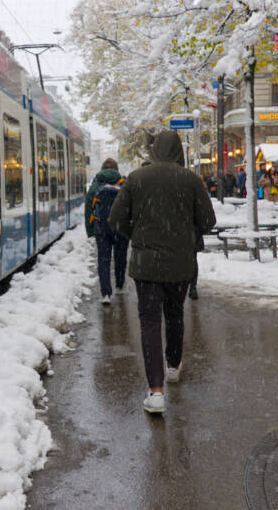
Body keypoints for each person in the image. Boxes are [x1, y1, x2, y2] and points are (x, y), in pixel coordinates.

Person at [108, 130, 216, 414]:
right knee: (174, 314)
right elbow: (207, 221)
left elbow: (115, 219)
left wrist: (137, 236)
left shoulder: (136, 178)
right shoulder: (190, 179)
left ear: (154, 150)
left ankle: (155, 391)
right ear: (178, 150)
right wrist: (182, 233)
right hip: (180, 264)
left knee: (149, 322)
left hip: (146, 265)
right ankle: (173, 365)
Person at [85, 158, 129, 303]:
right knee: (120, 257)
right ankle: (120, 286)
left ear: (102, 169)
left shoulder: (96, 185)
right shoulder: (123, 183)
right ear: (116, 169)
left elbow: (88, 209)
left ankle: (105, 293)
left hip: (101, 228)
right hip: (120, 227)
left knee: (103, 260)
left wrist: (90, 230)